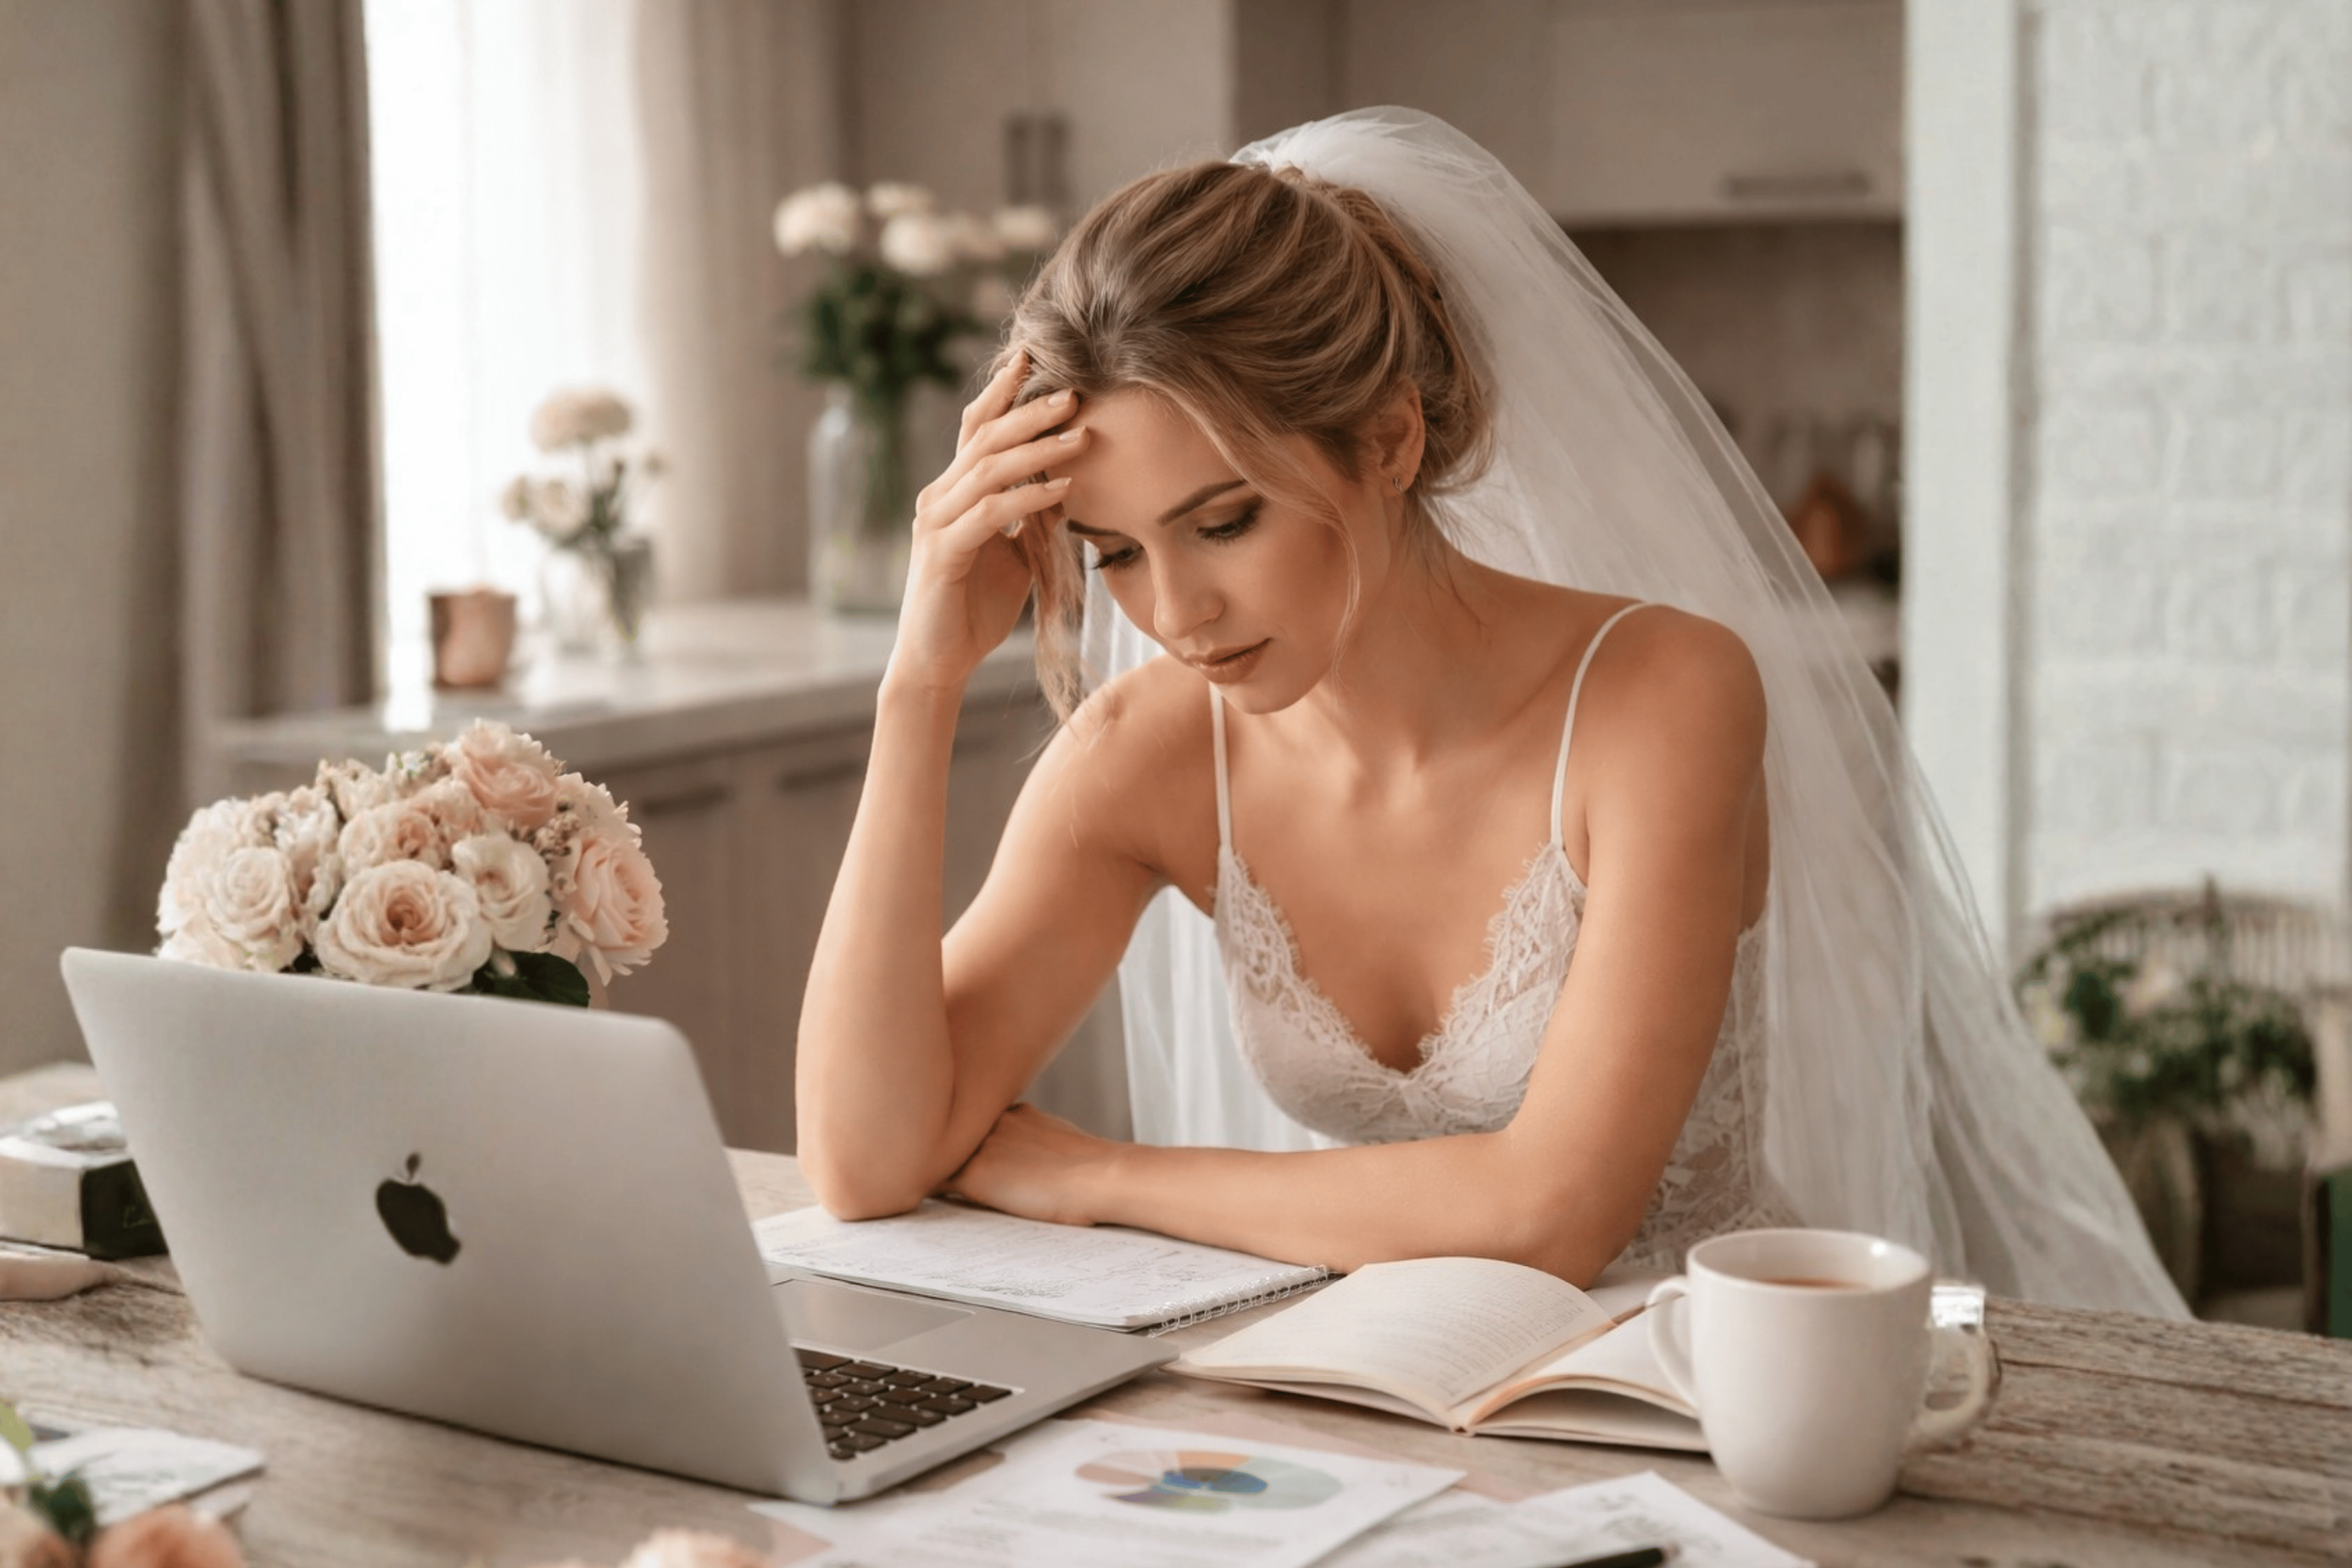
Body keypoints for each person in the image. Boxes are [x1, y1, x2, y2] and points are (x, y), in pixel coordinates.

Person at [796, 109, 2188, 1318]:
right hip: (1376, 1398)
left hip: (1670, 1401)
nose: (1172, 611)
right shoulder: (1148, 754)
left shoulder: (1663, 697)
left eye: (1221, 521)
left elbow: (1552, 1214)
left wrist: (1096, 1173)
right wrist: (915, 688)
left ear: (1389, 440)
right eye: (1111, 550)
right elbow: (862, 1159)